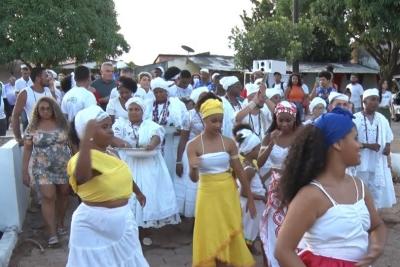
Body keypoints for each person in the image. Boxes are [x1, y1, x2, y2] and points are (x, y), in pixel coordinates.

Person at [275, 108, 387, 267]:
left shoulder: (359, 186)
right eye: (355, 138)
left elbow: (377, 225)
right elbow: (283, 250)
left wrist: (377, 246)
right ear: (337, 143)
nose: (360, 145)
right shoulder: (311, 195)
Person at [67, 105, 148, 266]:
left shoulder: (111, 152)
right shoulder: (81, 159)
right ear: (87, 134)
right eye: (104, 127)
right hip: (92, 223)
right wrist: (85, 142)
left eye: (110, 126)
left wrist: (138, 192)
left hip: (121, 219)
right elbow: (82, 177)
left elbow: (121, 176)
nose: (111, 130)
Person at [187, 94, 256, 267]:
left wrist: (251, 198)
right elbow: (194, 179)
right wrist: (193, 168)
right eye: (213, 121)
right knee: (210, 233)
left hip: (227, 193)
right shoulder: (193, 145)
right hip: (207, 193)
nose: (218, 125)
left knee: (228, 230)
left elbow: (239, 171)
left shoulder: (229, 143)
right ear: (204, 120)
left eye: (220, 120)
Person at [112, 97, 181, 233]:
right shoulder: (120, 124)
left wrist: (151, 144)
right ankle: (130, 227)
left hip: (148, 164)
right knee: (129, 193)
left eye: (137, 109)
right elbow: (113, 137)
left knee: (149, 191)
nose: (133, 112)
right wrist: (124, 144)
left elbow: (157, 135)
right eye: (130, 109)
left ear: (142, 111)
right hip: (128, 162)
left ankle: (146, 227)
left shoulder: (150, 125)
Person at [22, 97, 71, 246]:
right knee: (48, 197)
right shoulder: (32, 127)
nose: (45, 111)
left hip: (63, 167)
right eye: (41, 108)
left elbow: (73, 145)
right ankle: (52, 233)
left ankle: (60, 223)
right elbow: (28, 148)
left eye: (48, 108)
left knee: (63, 194)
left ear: (54, 109)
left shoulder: (63, 124)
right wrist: (24, 171)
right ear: (37, 110)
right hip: (42, 168)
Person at [257, 101, 301, 267]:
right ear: (275, 118)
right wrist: (271, 144)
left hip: (294, 185)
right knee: (274, 225)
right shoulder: (270, 136)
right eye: (280, 120)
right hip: (274, 186)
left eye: (288, 120)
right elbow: (259, 163)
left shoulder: (299, 136)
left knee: (292, 224)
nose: (284, 124)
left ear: (294, 120)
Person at [354, 88, 396, 209]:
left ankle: (374, 214)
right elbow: (350, 140)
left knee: (376, 188)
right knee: (361, 187)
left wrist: (387, 146)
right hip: (361, 162)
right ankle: (361, 214)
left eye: (377, 100)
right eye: (372, 99)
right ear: (364, 101)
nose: (375, 102)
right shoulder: (355, 118)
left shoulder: (382, 118)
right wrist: (367, 146)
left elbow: (388, 136)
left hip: (378, 161)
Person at [175, 87, 209, 218]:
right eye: (202, 97)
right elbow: (183, 139)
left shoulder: (213, 113)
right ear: (196, 100)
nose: (205, 100)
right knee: (192, 183)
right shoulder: (188, 115)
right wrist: (179, 161)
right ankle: (191, 216)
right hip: (191, 153)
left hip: (208, 152)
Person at [233, 124, 266, 254]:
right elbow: (244, 192)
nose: (259, 151)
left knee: (252, 226)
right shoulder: (249, 170)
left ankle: (249, 246)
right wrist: (262, 197)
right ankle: (246, 248)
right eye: (258, 148)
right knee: (249, 227)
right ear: (251, 150)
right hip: (251, 204)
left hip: (255, 202)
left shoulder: (250, 164)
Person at [149, 77, 187, 178]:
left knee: (169, 170)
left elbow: (184, 124)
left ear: (166, 92)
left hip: (171, 143)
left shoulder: (176, 104)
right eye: (156, 93)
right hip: (154, 143)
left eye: (161, 92)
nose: (158, 95)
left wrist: (178, 130)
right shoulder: (149, 105)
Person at [12, 67, 55, 145]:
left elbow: (55, 110)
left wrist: (52, 89)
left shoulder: (48, 90)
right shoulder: (25, 93)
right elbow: (15, 116)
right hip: (35, 137)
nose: (48, 78)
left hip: (52, 135)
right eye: (46, 76)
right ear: (38, 78)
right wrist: (18, 138)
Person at [15, 64, 33, 131]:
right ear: (21, 72)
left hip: (32, 103)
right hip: (23, 105)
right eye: (24, 73)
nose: (25, 74)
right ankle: (25, 136)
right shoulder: (18, 82)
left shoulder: (32, 81)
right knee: (25, 121)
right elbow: (16, 93)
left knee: (32, 120)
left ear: (29, 72)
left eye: (27, 73)